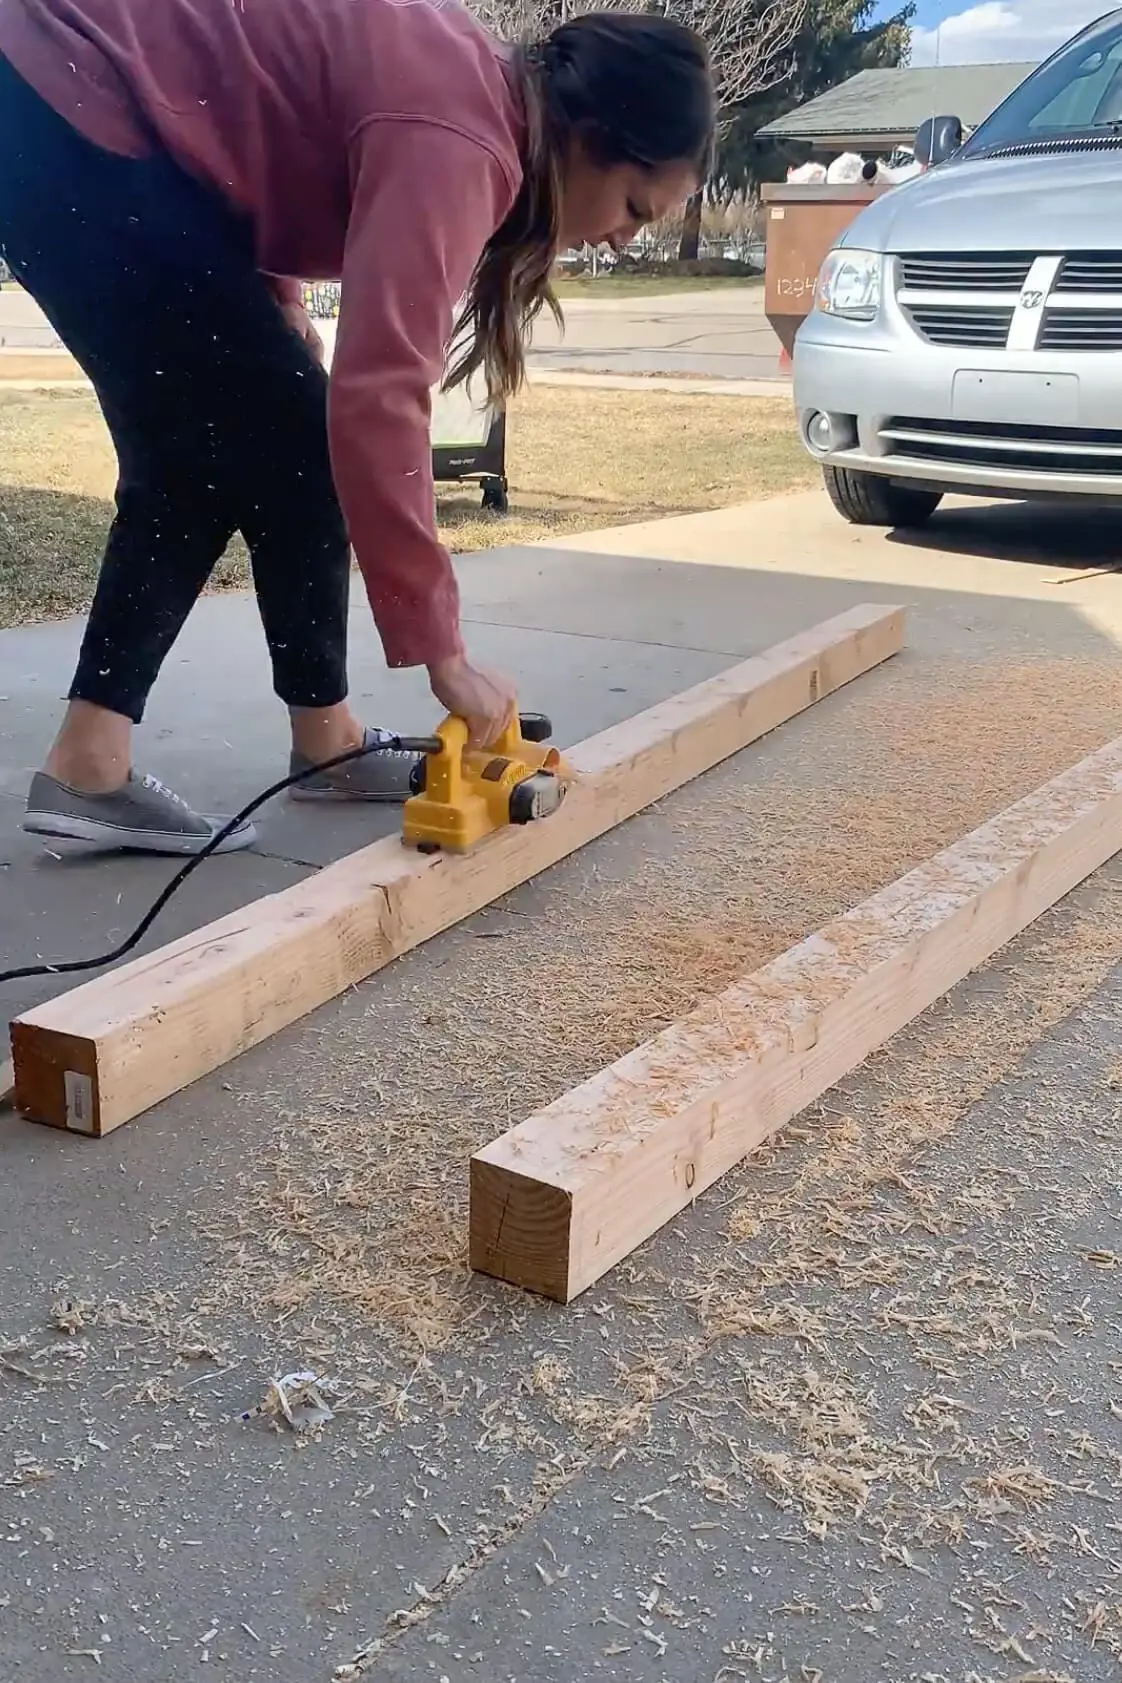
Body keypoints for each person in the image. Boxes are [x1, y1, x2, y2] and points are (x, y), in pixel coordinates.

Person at [0, 0, 715, 855]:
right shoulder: (461, 135)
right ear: (588, 133)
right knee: (260, 440)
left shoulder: (470, 93)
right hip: (62, 95)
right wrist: (442, 652)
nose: (625, 240)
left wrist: (279, 293)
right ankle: (112, 762)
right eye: (635, 206)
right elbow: (380, 397)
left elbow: (246, 118)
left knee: (250, 437)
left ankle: (299, 746)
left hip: (68, 102)